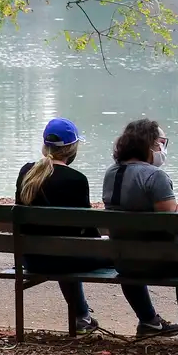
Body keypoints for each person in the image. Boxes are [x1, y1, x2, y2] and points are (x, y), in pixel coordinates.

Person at [101, 118, 178, 342]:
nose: (163, 148)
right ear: (149, 144)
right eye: (161, 143)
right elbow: (170, 224)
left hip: (123, 260)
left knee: (131, 248)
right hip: (160, 260)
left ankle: (148, 320)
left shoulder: (110, 173)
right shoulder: (155, 176)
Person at [14, 117, 104, 332]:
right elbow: (87, 230)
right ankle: (147, 318)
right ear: (72, 149)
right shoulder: (77, 180)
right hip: (64, 259)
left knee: (64, 249)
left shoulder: (26, 172)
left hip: (31, 258)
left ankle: (82, 317)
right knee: (104, 252)